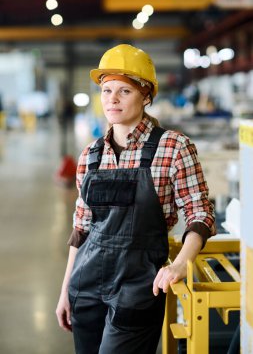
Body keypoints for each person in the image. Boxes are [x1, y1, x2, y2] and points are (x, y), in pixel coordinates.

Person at [56, 44, 216, 354]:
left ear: (146, 95)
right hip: (85, 287)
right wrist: (65, 292)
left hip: (138, 287)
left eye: (124, 91)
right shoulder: (90, 154)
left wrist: (181, 263)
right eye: (106, 90)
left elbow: (200, 213)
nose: (112, 99)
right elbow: (81, 228)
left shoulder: (173, 147)